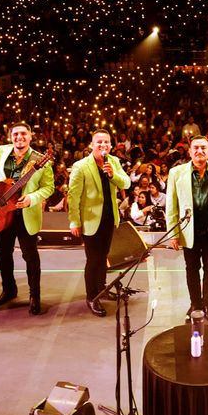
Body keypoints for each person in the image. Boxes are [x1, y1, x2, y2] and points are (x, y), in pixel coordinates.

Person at [0, 122, 54, 316]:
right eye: (15, 134)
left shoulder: (41, 159)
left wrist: (32, 198)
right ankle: (9, 290)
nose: (19, 137)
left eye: (24, 133)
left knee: (30, 256)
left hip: (25, 214)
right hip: (2, 213)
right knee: (3, 254)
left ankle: (34, 296)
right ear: (10, 136)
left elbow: (49, 187)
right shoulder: (1, 151)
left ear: (31, 136)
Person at [166, 136, 208, 324]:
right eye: (196, 148)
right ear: (189, 151)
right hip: (189, 231)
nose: (199, 151)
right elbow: (171, 206)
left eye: (203, 148)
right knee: (191, 269)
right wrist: (173, 233)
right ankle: (195, 304)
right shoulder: (176, 173)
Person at [67, 130, 131, 318]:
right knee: (93, 259)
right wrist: (74, 221)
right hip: (89, 221)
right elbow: (73, 196)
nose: (103, 146)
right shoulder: (81, 166)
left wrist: (112, 175)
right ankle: (92, 297)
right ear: (91, 145)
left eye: (106, 142)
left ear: (111, 145)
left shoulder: (114, 162)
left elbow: (126, 183)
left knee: (103, 256)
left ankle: (102, 288)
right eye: (99, 142)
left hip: (109, 218)